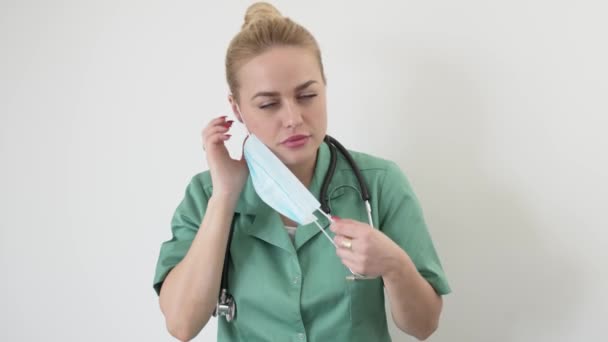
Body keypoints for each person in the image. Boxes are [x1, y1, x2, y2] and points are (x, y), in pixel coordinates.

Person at [153, 2, 450, 341]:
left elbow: (424, 324)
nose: (293, 117)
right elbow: (181, 324)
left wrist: (395, 266)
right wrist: (224, 196)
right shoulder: (207, 195)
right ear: (236, 108)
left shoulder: (380, 182)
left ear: (325, 87)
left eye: (307, 95)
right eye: (268, 104)